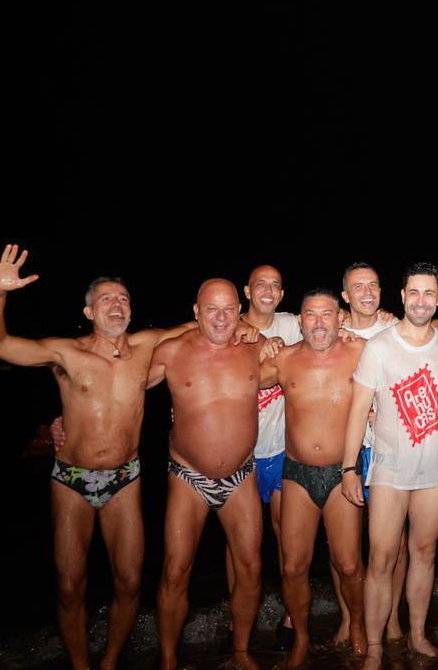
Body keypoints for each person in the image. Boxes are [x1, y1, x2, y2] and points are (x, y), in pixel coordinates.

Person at [0, 245, 199, 670]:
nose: (117, 305)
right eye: (106, 300)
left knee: (131, 582)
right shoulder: (66, 353)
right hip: (71, 480)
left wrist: (246, 326)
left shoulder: (148, 345)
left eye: (124, 298)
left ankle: (110, 661)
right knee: (68, 586)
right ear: (89, 312)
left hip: (126, 479)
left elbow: (202, 322)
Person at [150, 278, 278, 670]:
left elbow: (306, 370)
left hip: (241, 475)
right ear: (196, 312)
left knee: (252, 566)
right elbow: (118, 389)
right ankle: (169, 660)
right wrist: (63, 420)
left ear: (239, 312)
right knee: (175, 570)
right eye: (212, 309)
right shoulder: (171, 352)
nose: (221, 318)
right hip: (187, 476)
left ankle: (240, 650)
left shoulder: (255, 348)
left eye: (229, 310)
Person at [341, 263, 438, 658]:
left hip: (433, 471)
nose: (421, 301)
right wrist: (348, 469)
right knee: (380, 557)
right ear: (402, 296)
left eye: (430, 293)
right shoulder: (379, 346)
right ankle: (375, 647)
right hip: (388, 470)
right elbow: (358, 409)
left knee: (425, 553)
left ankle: (416, 635)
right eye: (414, 292)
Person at [258, 289, 368, 665]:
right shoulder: (284, 359)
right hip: (296, 475)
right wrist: (256, 341)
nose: (318, 322)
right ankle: (301, 638)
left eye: (326, 314)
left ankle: (356, 626)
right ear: (300, 320)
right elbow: (234, 382)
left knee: (350, 564)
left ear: (340, 319)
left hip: (343, 474)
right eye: (310, 314)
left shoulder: (362, 352)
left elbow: (407, 358)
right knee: (292, 565)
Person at [338, 261, 404, 641]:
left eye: (374, 285)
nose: (367, 293)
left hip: (386, 449)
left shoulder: (394, 330)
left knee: (393, 541)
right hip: (345, 446)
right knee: (344, 542)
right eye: (358, 287)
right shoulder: (328, 328)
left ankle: (392, 616)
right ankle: (351, 619)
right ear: (345, 295)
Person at [240, 264, 303, 649]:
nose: (268, 290)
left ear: (281, 295)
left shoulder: (292, 324)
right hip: (240, 453)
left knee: (286, 541)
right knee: (243, 548)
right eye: (260, 284)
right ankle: (238, 620)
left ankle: (292, 615)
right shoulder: (227, 324)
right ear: (247, 291)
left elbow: (330, 318)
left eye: (275, 285)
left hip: (281, 448)